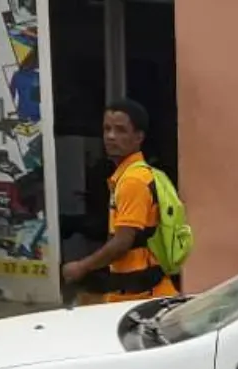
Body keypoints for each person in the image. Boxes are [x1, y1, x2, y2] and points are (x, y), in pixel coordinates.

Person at [60, 99, 176, 304]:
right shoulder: (130, 175)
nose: (111, 136)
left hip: (139, 296)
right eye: (107, 129)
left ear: (138, 137)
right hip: (134, 290)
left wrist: (82, 267)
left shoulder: (133, 180)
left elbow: (122, 242)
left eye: (121, 130)